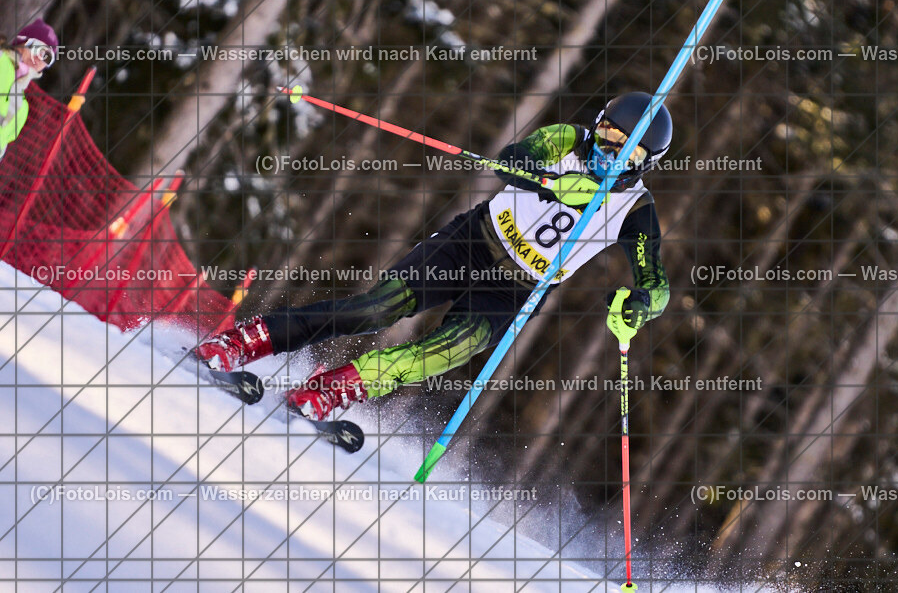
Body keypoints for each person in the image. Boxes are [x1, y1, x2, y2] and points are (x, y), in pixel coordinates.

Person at [195, 92, 672, 421]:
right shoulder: (566, 140)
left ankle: (332, 389)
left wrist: (638, 307)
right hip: (473, 241)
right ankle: (245, 342)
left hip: (516, 290)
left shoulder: (636, 208)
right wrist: (550, 182)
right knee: (375, 310)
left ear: (644, 162)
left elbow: (656, 283)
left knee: (443, 353)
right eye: (607, 133)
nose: (608, 150)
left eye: (624, 150)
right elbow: (512, 159)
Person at [0, 19, 58, 158]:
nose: (39, 58)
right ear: (22, 42)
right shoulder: (1, 61)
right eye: (37, 47)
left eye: (48, 57)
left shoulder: (22, 108)